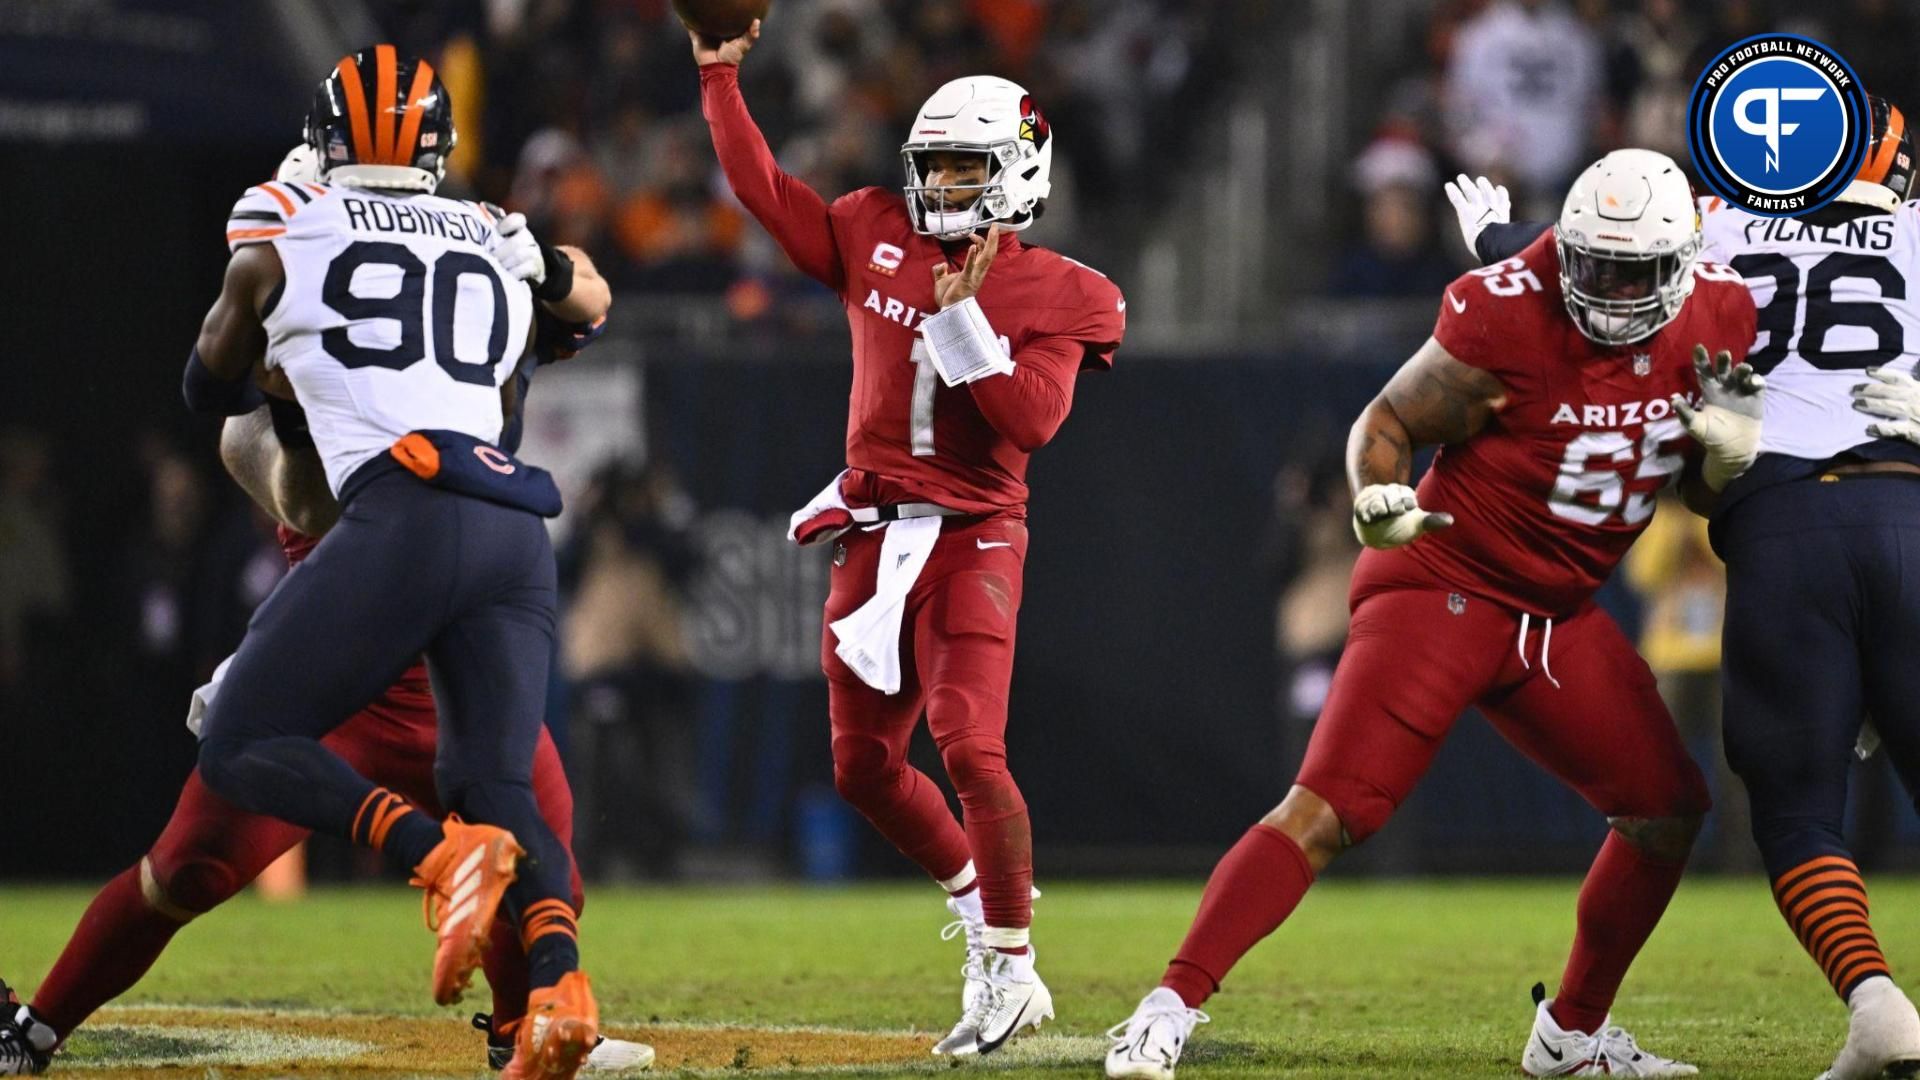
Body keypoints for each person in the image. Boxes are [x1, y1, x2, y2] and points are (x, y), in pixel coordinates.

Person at [0, 125, 644, 1076]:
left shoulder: (427, 321)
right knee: (181, 873)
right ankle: (35, 1030)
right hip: (350, 698)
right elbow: (312, 503)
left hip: (451, 669)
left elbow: (586, 300)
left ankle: (526, 1032)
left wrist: (536, 262)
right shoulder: (268, 427)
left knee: (550, 870)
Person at [1105, 149, 1762, 1079]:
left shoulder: (1722, 312)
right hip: (1448, 582)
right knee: (1329, 808)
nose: (1610, 291)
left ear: (1684, 264)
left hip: (1560, 615)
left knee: (1667, 811)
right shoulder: (1507, 310)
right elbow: (1385, 421)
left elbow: (1696, 492)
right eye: (1592, 265)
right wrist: (1378, 494)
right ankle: (1166, 1007)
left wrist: (1726, 466)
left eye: (1635, 272)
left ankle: (1570, 1037)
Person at [1455, 97, 1920, 1080]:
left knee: (1795, 811)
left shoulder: (1713, 221)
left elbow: (1583, 261)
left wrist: (1494, 237)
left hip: (1785, 521)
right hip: (1911, 511)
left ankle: (1876, 1002)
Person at [693, 19, 1126, 1056]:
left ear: (1019, 171)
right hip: (873, 526)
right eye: (932, 165)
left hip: (975, 530)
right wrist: (718, 76)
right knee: (862, 769)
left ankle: (1014, 969)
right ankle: (983, 915)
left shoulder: (1062, 290)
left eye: (968, 166)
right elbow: (764, 190)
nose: (943, 185)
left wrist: (964, 322)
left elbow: (1030, 422)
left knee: (972, 745)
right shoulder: (870, 227)